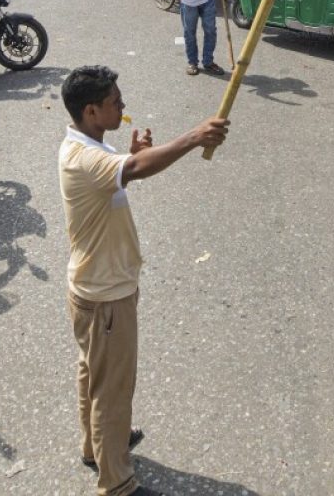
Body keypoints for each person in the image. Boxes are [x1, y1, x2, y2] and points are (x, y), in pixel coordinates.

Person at [58, 65, 228, 496]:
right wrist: (193, 137)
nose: (123, 105)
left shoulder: (87, 144)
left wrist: (129, 159)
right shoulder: (85, 158)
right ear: (92, 110)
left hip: (92, 289)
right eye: (116, 101)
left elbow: (126, 169)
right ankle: (116, 483)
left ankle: (95, 449)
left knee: (93, 376)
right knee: (113, 392)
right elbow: (133, 167)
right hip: (105, 296)